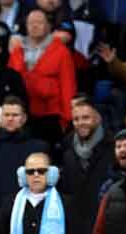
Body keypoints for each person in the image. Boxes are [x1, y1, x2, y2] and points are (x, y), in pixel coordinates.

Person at [58, 101, 113, 234]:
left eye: (86, 118)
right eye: (76, 119)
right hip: (75, 231)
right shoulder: (66, 152)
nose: (81, 122)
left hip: (104, 225)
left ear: (97, 118)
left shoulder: (112, 148)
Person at [8, 8, 75, 142]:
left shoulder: (62, 51)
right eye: (31, 23)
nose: (34, 26)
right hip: (21, 114)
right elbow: (9, 82)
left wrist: (67, 118)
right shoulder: (17, 50)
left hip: (51, 115)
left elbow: (68, 86)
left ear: (48, 26)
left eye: (39, 22)